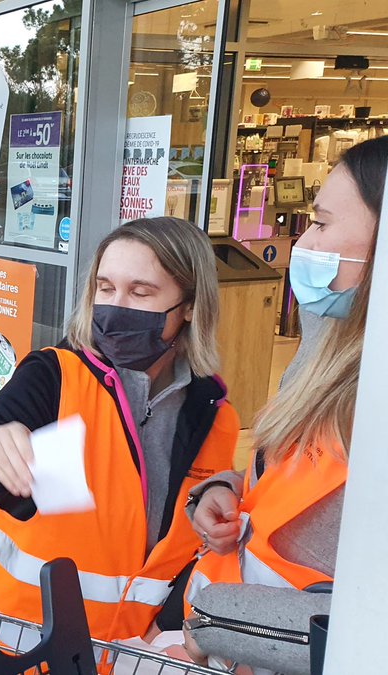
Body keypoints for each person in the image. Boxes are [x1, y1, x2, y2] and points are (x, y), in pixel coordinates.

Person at [0, 216, 239, 652]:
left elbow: (193, 547)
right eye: (105, 287)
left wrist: (172, 621)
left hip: (128, 657)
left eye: (140, 291)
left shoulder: (213, 414)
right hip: (16, 654)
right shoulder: (54, 376)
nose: (115, 306)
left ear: (189, 305)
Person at [183, 136, 385, 675]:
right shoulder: (324, 358)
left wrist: (214, 623)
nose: (304, 242)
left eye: (320, 223)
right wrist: (221, 490)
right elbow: (276, 481)